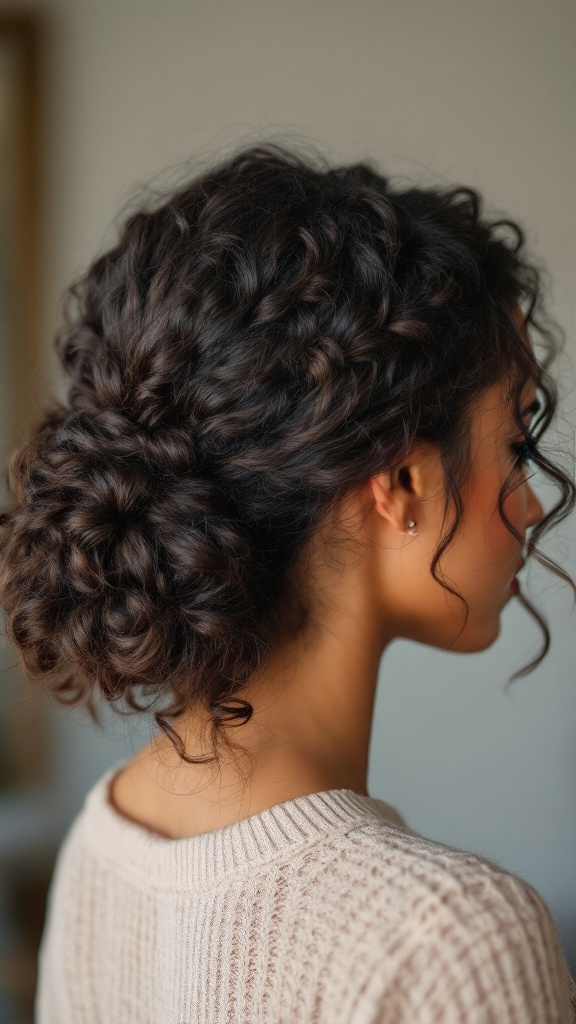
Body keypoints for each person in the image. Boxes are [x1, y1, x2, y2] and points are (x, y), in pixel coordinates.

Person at [1, 141, 575, 1022]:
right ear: (405, 484)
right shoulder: (452, 936)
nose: (531, 505)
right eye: (514, 445)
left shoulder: (102, 841)